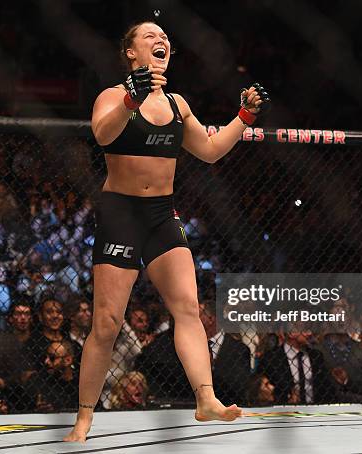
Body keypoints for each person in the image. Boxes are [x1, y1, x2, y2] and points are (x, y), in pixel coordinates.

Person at [64, 20, 270, 442]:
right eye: (150, 36)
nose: (161, 40)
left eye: (165, 38)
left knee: (188, 307)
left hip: (161, 213)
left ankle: (206, 399)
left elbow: (210, 151)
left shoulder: (179, 104)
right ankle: (84, 417)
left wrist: (244, 117)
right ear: (131, 53)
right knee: (106, 322)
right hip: (121, 211)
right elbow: (103, 135)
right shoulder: (112, 96)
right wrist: (129, 99)